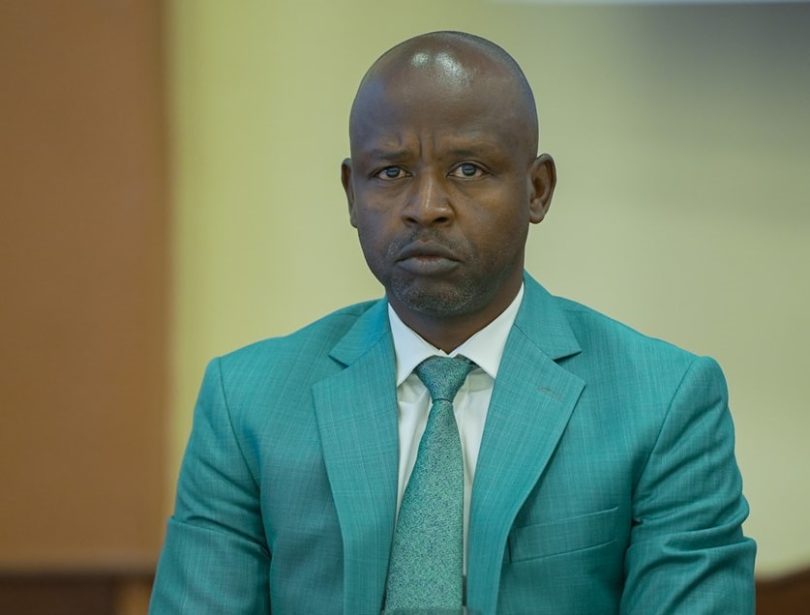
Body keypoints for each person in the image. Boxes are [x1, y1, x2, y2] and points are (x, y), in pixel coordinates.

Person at [149, 31, 756, 614]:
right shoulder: (247, 402)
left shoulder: (664, 401)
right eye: (391, 172)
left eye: (468, 169)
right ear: (352, 193)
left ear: (537, 189)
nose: (426, 207)